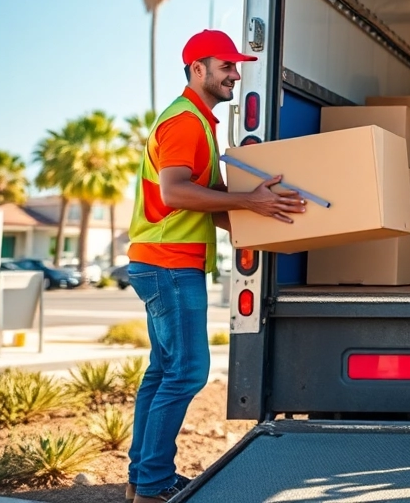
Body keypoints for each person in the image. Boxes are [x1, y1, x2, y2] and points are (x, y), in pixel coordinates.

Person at [126, 30, 305, 503]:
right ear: (197, 69)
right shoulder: (185, 122)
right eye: (226, 65)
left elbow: (212, 204)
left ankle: (142, 479)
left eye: (235, 65)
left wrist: (267, 223)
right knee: (186, 373)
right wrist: (251, 199)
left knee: (163, 373)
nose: (235, 73)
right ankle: (152, 485)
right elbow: (176, 193)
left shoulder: (201, 122)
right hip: (167, 264)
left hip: (162, 262)